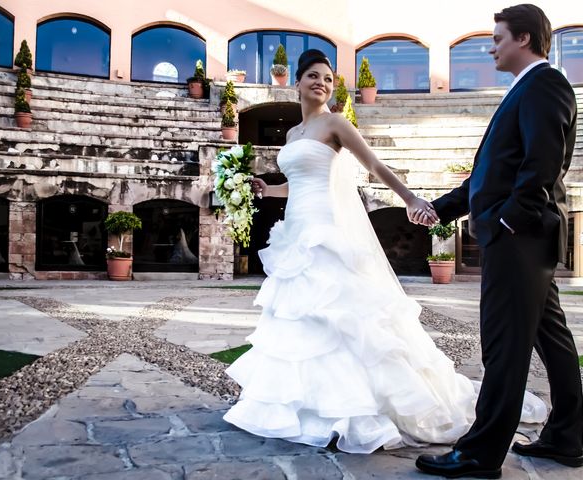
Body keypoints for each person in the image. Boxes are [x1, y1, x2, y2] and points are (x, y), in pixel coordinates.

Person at [223, 48, 546, 454]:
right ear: (298, 83)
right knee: (300, 315)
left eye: (327, 77)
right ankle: (306, 402)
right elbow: (299, 180)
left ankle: (358, 406)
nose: (321, 83)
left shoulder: (336, 123)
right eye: (313, 76)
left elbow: (374, 165)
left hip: (327, 229)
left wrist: (412, 200)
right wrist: (269, 189)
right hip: (297, 231)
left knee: (341, 314)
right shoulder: (292, 135)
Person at [414, 4, 582, 478]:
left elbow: (542, 164)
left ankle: (480, 453)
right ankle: (567, 437)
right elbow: (489, 176)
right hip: (524, 238)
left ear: (524, 39)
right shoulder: (525, 89)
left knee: (505, 347)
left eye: (498, 37)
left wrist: (507, 223)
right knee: (551, 339)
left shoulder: (544, 85)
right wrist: (438, 209)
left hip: (520, 240)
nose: (491, 46)